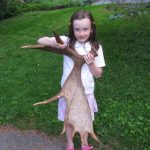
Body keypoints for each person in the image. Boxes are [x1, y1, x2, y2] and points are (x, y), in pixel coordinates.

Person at [37, 10, 105, 150]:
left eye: (85, 29)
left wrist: (91, 63)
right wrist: (56, 44)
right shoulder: (67, 41)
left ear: (91, 28)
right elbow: (40, 40)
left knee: (85, 119)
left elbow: (98, 74)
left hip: (86, 92)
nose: (81, 33)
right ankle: (70, 143)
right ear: (72, 28)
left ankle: (85, 144)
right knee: (68, 119)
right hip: (68, 91)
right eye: (77, 29)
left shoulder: (96, 48)